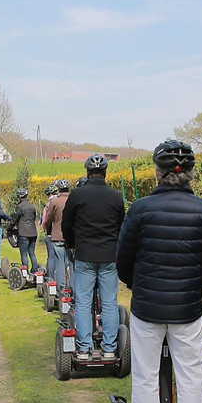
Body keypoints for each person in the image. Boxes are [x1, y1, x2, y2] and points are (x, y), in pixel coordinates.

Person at [116, 139, 202, 403]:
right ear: (190, 173)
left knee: (146, 375)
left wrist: (136, 284)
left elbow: (123, 259)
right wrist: (194, 284)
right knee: (191, 374)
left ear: (157, 172)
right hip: (187, 309)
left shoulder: (139, 210)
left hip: (147, 307)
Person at [61, 153, 124, 361]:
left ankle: (85, 348)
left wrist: (71, 245)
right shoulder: (116, 196)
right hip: (109, 256)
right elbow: (121, 226)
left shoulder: (77, 196)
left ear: (87, 173)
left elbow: (66, 225)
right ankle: (108, 348)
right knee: (109, 303)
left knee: (84, 302)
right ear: (105, 173)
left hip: (85, 255)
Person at [42, 178, 71, 288]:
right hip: (71, 237)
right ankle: (71, 287)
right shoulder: (73, 200)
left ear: (58, 189)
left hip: (57, 235)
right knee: (70, 263)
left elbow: (48, 219)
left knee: (59, 262)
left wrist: (48, 230)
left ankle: (61, 288)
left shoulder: (54, 201)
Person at [6, 188, 40, 272]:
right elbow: (34, 218)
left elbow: (14, 219)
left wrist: (9, 229)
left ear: (19, 197)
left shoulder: (19, 207)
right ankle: (35, 270)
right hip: (33, 232)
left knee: (23, 253)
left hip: (23, 233)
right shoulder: (33, 206)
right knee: (32, 253)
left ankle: (25, 272)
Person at [41, 182, 61, 278]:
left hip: (51, 234)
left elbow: (45, 221)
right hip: (62, 234)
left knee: (51, 257)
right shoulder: (62, 201)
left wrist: (44, 228)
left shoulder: (48, 205)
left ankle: (51, 277)